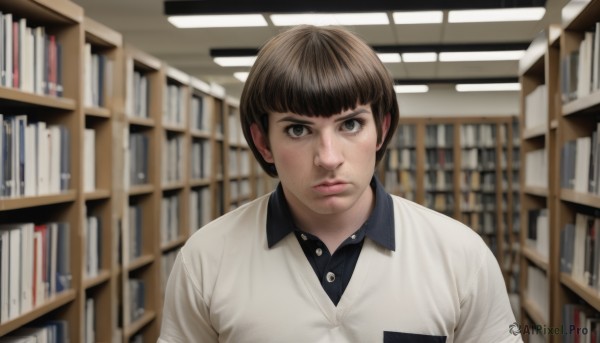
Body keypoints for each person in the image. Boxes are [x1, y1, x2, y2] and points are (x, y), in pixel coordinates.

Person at [158, 25, 521, 343]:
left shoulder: (462, 256)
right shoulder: (205, 259)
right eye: (298, 129)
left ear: (381, 129)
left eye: (350, 124)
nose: (328, 157)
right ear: (264, 142)